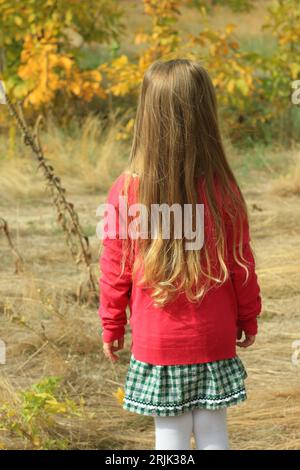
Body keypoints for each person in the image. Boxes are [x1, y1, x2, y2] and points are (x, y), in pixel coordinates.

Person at [98, 59, 262, 450]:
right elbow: (243, 266)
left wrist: (111, 324)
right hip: (213, 340)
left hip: (158, 345)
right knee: (213, 437)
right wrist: (248, 318)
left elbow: (113, 269)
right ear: (206, 113)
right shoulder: (224, 190)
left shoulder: (124, 192)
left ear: (147, 115)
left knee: (168, 441)